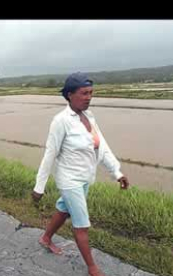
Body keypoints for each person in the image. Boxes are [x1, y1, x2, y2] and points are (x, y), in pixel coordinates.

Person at [32, 72, 130, 276]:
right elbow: (49, 154)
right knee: (81, 225)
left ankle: (46, 238)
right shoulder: (61, 121)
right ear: (69, 95)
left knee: (64, 209)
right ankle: (92, 268)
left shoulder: (89, 116)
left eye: (91, 93)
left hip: (85, 178)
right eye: (83, 93)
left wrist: (117, 172)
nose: (88, 97)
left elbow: (102, 147)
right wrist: (39, 187)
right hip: (70, 181)